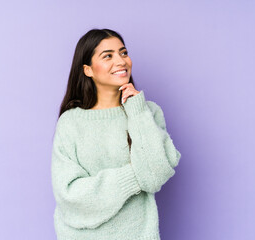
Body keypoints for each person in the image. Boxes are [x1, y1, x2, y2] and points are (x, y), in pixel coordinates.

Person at [51, 28, 181, 240]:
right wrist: (138, 174)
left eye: (123, 53)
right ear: (88, 70)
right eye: (108, 56)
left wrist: (137, 110)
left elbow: (155, 177)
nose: (121, 61)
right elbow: (70, 196)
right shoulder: (70, 122)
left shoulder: (148, 112)